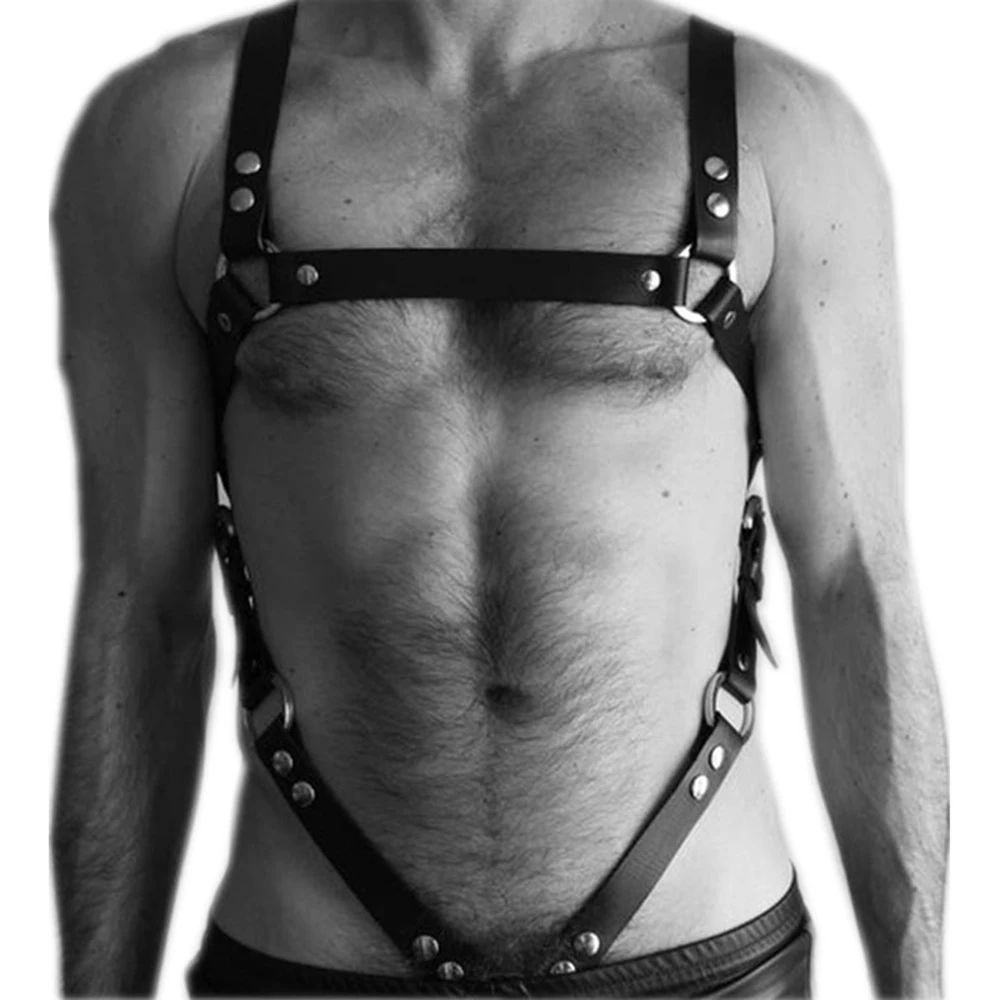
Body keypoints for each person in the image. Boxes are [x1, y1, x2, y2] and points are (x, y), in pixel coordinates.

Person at [51, 0, 948, 995]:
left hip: (700, 960)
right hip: (315, 959)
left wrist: (920, 984)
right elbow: (143, 616)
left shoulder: (773, 126)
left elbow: (853, 585)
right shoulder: (179, 130)